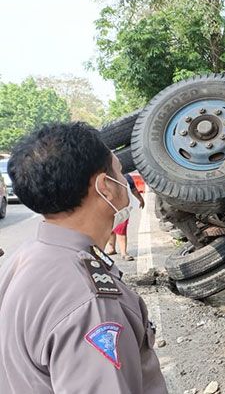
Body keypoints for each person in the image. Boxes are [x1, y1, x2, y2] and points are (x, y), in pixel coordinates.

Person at [0, 122, 167, 393]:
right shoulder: (92, 302)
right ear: (105, 187)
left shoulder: (23, 258)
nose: (123, 181)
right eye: (119, 171)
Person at [105, 172, 145, 261]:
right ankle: (111, 248)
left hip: (122, 208)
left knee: (121, 230)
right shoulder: (105, 177)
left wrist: (140, 199)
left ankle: (124, 252)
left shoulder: (126, 177)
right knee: (110, 230)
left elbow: (134, 190)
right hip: (109, 207)